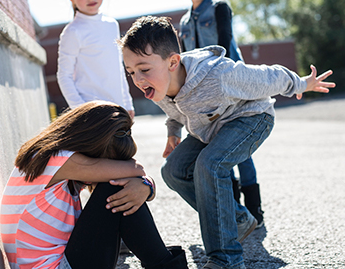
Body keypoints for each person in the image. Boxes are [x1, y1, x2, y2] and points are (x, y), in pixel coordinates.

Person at [119, 16, 335, 269]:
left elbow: (267, 76)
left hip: (251, 118)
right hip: (211, 128)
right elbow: (174, 111)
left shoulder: (218, 75)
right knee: (173, 171)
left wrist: (301, 83)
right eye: (131, 71)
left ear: (173, 62)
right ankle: (237, 218)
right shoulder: (158, 83)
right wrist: (173, 133)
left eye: (143, 69)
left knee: (209, 165)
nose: (137, 79)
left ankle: (227, 259)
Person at [0, 101, 188, 269]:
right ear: (92, 143)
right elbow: (135, 169)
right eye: (109, 162)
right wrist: (145, 184)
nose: (111, 168)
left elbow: (136, 174)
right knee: (115, 187)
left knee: (119, 187)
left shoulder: (51, 159)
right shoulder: (58, 160)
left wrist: (146, 186)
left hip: (60, 261)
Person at [179, 0, 263, 226]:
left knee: (241, 150)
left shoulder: (219, 9)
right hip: (204, 95)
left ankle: (255, 209)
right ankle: (236, 212)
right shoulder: (183, 22)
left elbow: (225, 45)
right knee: (218, 149)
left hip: (232, 87)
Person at [57, 0, 134, 118]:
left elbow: (118, 68)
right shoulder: (73, 32)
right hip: (92, 114)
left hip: (118, 109)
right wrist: (81, 110)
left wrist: (127, 103)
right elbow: (64, 76)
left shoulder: (112, 25)